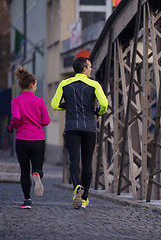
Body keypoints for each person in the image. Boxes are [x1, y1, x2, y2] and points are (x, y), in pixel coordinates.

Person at [51, 57, 108, 209]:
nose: (91, 69)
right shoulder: (94, 84)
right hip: (89, 127)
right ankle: (84, 199)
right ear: (84, 69)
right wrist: (98, 112)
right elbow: (104, 104)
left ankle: (77, 186)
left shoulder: (64, 83)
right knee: (87, 161)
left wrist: (68, 106)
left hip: (71, 127)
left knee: (74, 159)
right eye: (90, 67)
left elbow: (55, 105)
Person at [9, 66, 50, 209]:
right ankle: (37, 174)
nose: (36, 87)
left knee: (24, 170)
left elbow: (15, 116)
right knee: (37, 167)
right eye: (36, 85)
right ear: (31, 85)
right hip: (38, 139)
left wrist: (12, 127)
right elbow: (46, 121)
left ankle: (27, 201)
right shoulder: (40, 101)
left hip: (22, 139)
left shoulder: (16, 100)